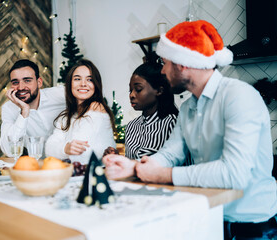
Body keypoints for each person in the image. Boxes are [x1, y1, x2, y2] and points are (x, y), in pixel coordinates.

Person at [103, 20, 277, 239]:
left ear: (183, 63)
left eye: (165, 63)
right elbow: (170, 153)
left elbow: (234, 173)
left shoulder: (238, 96)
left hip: (251, 225)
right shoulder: (188, 107)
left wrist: (163, 175)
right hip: (210, 216)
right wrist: (135, 167)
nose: (163, 71)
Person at [45, 59, 116, 164]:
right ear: (70, 84)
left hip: (96, 175)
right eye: (77, 79)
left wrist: (63, 149)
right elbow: (48, 149)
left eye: (90, 79)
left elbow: (80, 153)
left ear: (96, 85)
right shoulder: (66, 116)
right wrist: (66, 148)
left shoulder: (96, 107)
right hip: (76, 174)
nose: (83, 84)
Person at [104, 62, 178, 160]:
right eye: (130, 90)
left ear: (159, 91)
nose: (131, 95)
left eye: (138, 89)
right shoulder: (131, 126)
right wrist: (117, 158)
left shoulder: (173, 123)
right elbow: (130, 163)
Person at [0, 59, 65, 157]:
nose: (21, 87)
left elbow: (88, 95)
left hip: (66, 163)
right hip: (34, 167)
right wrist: (24, 111)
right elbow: (8, 150)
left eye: (27, 81)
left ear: (39, 82)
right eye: (15, 82)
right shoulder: (9, 108)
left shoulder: (60, 95)